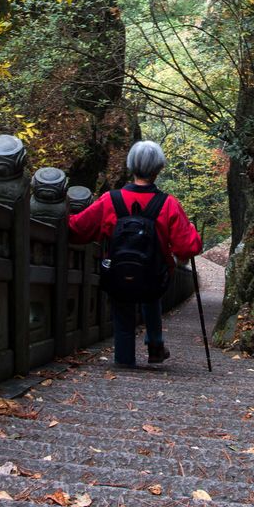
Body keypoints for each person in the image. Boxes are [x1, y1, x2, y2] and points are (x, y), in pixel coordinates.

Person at [67, 140, 202, 367]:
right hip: (154, 277)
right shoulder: (168, 204)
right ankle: (155, 345)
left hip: (118, 274)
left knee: (122, 311)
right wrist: (193, 234)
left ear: (131, 166)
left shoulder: (110, 200)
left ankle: (124, 360)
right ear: (159, 168)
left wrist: (63, 212)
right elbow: (188, 247)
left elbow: (78, 230)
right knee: (152, 297)